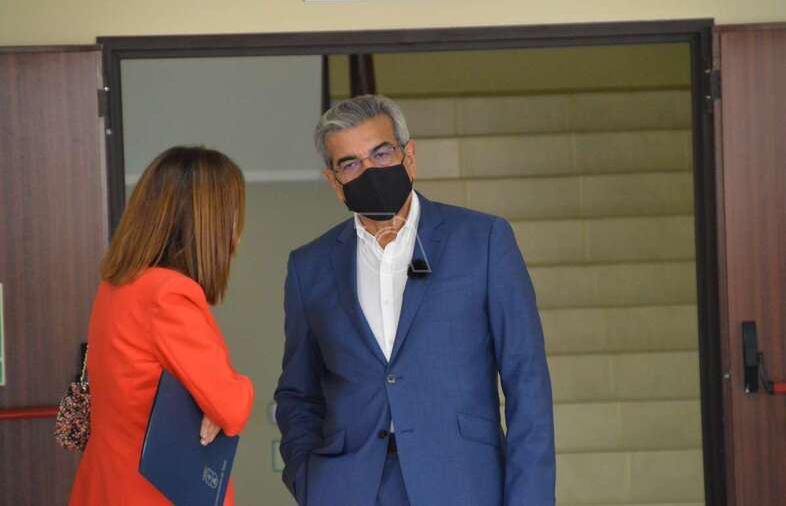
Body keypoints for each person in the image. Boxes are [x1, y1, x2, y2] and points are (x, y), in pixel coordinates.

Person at [274, 95, 555, 506]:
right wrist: (309, 480)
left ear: (409, 157)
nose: (369, 171)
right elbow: (298, 393)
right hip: (348, 489)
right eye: (350, 164)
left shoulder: (482, 241)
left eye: (381, 153)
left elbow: (527, 381)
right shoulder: (309, 267)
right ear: (334, 182)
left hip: (463, 485)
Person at [68, 146, 255, 506]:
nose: (237, 233)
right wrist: (234, 392)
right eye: (232, 216)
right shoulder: (168, 294)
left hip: (108, 485)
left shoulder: (118, 286)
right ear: (207, 223)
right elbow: (230, 406)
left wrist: (211, 403)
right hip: (153, 493)